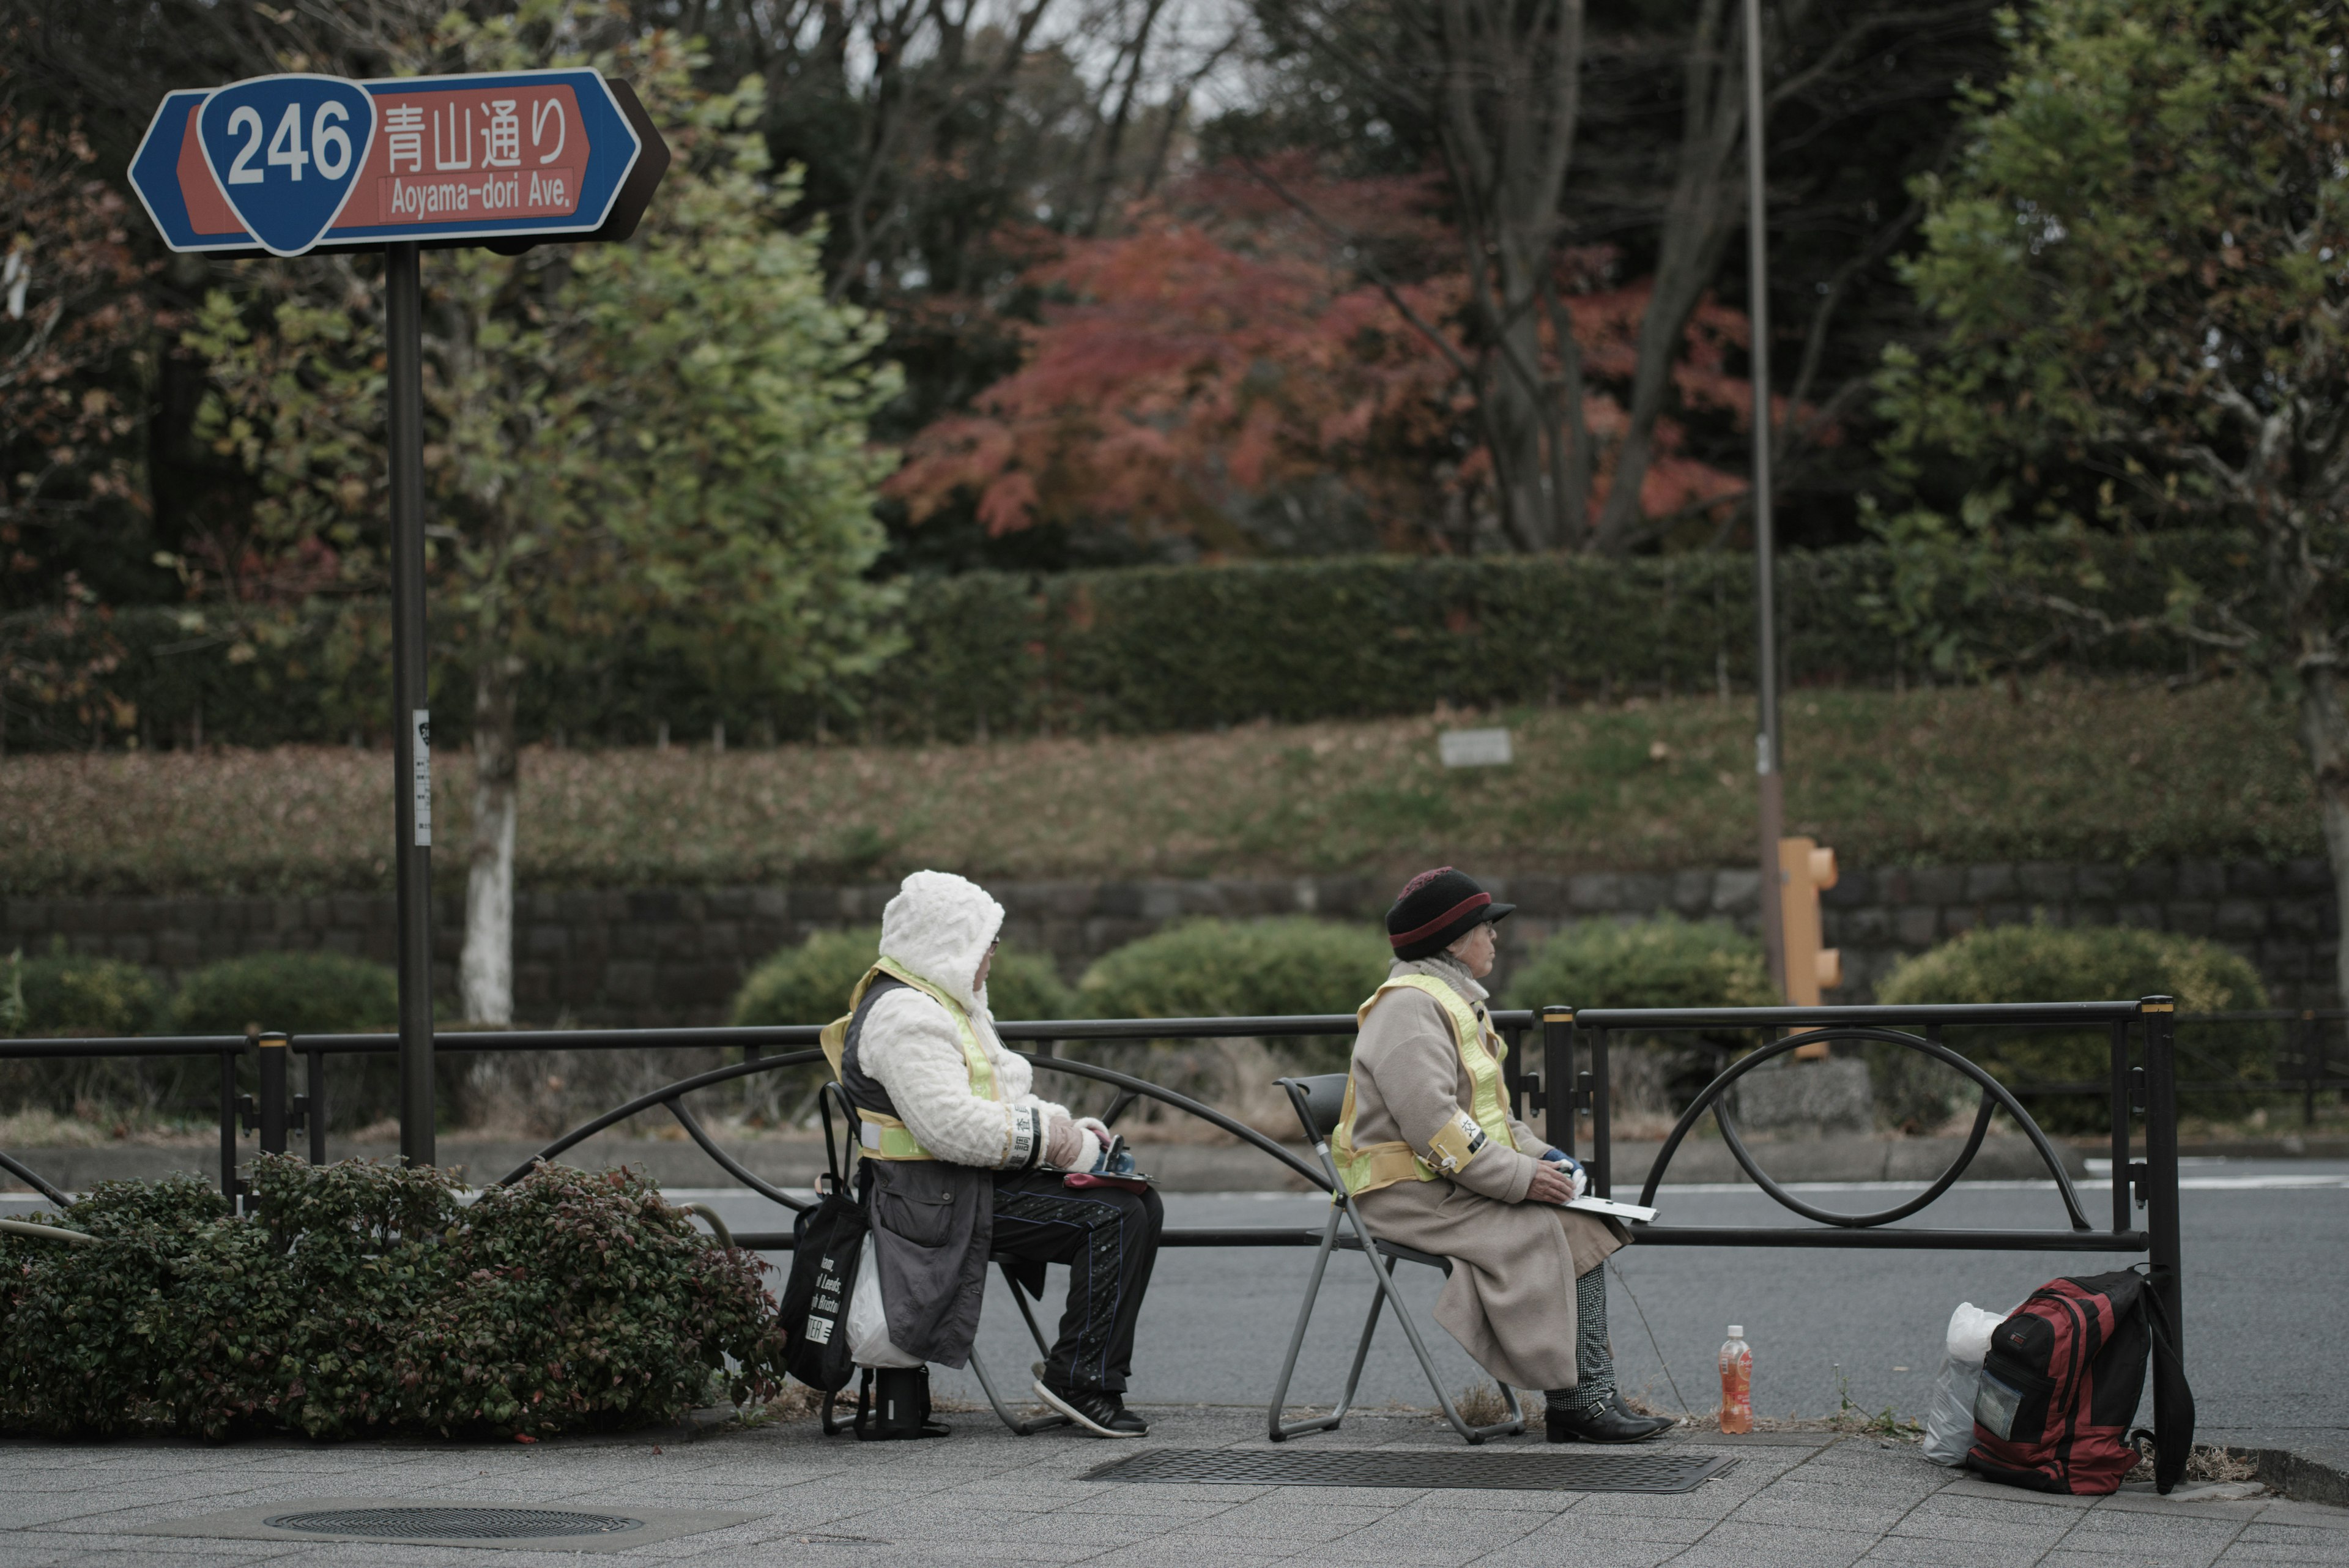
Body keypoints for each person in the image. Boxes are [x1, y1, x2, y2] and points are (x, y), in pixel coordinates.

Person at [1334, 866, 1675, 1443]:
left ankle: (1584, 1396)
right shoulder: (1409, 1010)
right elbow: (1437, 1129)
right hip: (1404, 1196)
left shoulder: (1447, 999)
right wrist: (1523, 1179)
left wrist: (1548, 1158)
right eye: (1487, 927)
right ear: (1453, 941)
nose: (1496, 937)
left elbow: (1493, 1119)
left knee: (1580, 1218)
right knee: (1553, 1223)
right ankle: (1580, 1402)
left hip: (1444, 1183)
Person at [825, 870, 1163, 1438]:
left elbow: (998, 1097)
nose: (993, 956)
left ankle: (1081, 1370)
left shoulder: (941, 1001)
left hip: (954, 1186)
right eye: (988, 943)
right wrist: (1055, 1141)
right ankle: (1080, 1380)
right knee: (1117, 1214)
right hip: (924, 1199)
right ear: (949, 943)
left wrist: (1068, 1128)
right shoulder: (906, 1015)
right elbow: (951, 1129)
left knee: (1138, 1203)